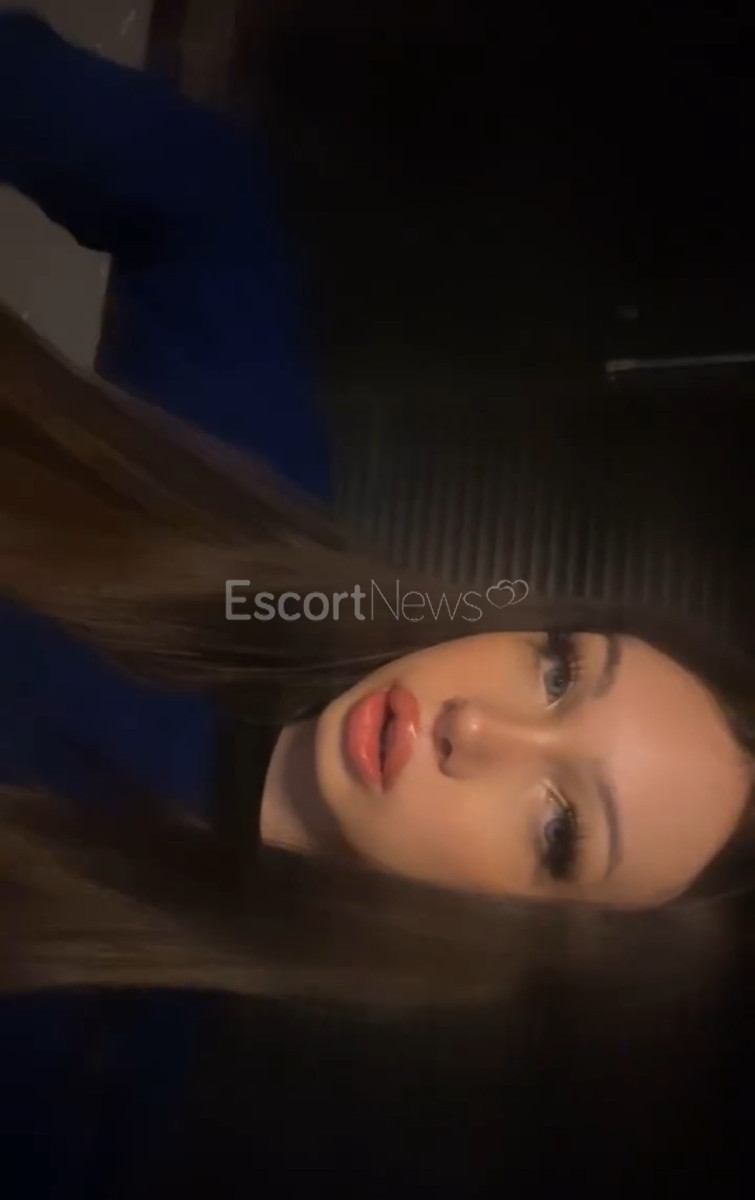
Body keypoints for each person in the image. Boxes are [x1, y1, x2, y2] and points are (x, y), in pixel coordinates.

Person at [1, 8, 755, 1196]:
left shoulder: (89, 1090)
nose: (477, 729)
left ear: (520, 933)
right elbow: (206, 197)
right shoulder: (245, 483)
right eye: (557, 670)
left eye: (559, 829)